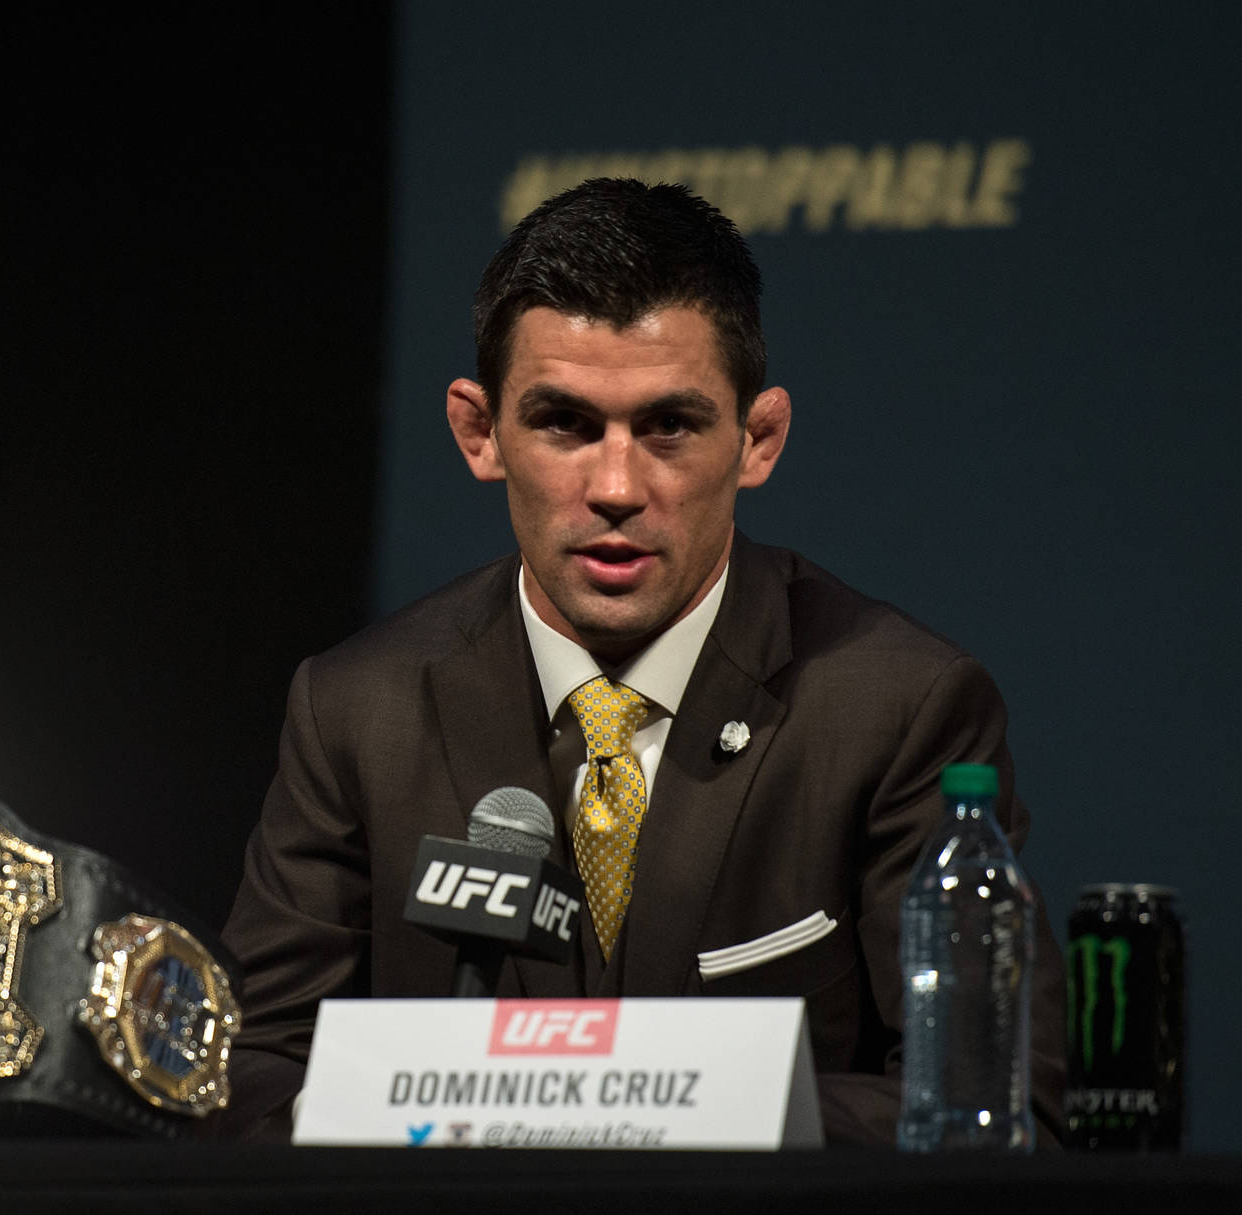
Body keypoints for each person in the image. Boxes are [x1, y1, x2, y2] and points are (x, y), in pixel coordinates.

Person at [218, 177, 1066, 1145]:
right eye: (565, 423)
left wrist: (651, 1103)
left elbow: (994, 1109)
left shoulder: (902, 709)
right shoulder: (355, 711)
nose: (616, 485)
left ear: (758, 438)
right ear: (479, 431)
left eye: (669, 425)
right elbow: (250, 1080)